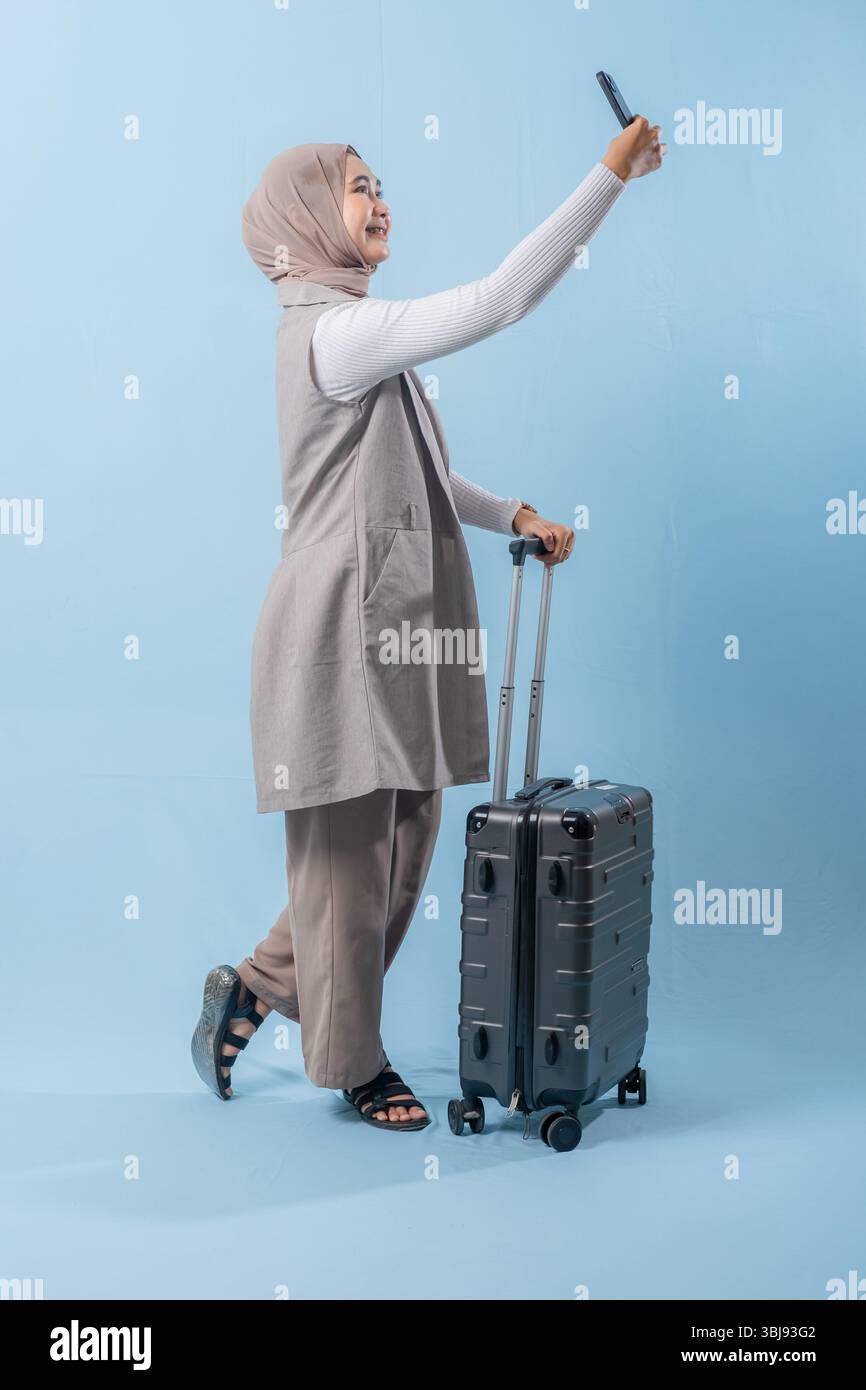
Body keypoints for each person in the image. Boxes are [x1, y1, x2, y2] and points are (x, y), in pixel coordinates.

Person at [191, 118, 666, 1131]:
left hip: (389, 627)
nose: (379, 200)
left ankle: (251, 987)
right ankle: (353, 1063)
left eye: (377, 183)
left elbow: (423, 474)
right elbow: (500, 299)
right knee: (347, 859)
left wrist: (511, 514)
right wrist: (607, 177)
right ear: (307, 220)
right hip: (337, 634)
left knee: (397, 845)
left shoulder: (357, 343)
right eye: (355, 189)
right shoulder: (333, 332)